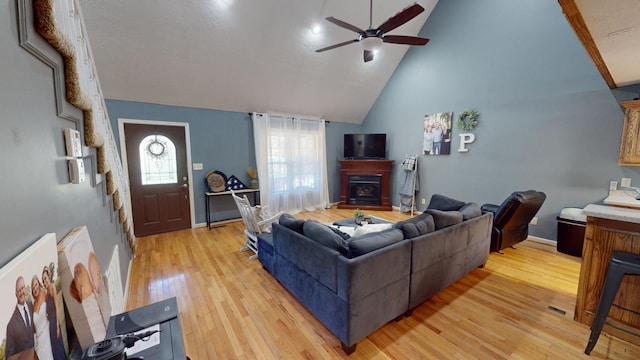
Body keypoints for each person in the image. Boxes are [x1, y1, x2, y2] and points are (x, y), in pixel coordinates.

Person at [5, 276, 35, 358]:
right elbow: (9, 356)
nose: (21, 292)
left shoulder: (32, 306)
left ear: (25, 289)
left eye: (22, 288)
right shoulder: (11, 325)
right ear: (16, 294)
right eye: (19, 291)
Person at [42, 265, 68, 360]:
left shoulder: (52, 287)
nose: (45, 282)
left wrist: (57, 326)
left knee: (59, 346)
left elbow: (56, 308)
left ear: (49, 277)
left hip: (55, 322)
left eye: (45, 279)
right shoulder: (46, 293)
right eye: (43, 281)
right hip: (50, 325)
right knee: (54, 349)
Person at [32, 275, 54, 360]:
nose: (35, 288)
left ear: (39, 285)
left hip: (47, 332)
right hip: (38, 340)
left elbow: (52, 306)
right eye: (33, 287)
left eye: (36, 285)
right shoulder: (32, 306)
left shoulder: (44, 293)